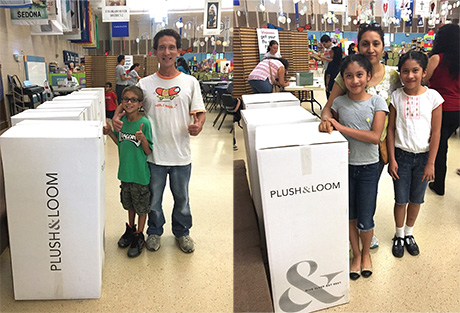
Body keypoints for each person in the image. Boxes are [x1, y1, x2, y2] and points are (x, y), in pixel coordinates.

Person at [113, 29, 206, 254]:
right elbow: (127, 102)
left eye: (171, 47)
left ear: (178, 51)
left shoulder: (190, 82)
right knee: (153, 201)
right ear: (155, 52)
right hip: (153, 155)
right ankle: (154, 232)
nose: (167, 52)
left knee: (182, 199)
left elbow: (200, 113)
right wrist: (116, 116)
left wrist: (199, 125)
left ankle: (182, 233)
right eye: (162, 47)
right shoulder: (145, 84)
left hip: (181, 154)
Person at [319, 23, 402, 249]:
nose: (371, 49)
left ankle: (366, 231)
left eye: (376, 43)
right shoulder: (347, 73)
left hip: (379, 147)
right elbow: (328, 107)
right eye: (365, 43)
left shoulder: (393, 76)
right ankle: (352, 236)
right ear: (358, 45)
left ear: (384, 46)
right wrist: (326, 120)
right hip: (347, 148)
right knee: (348, 192)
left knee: (368, 190)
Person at [327, 54, 388, 280]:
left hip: (370, 168)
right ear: (343, 79)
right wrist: (330, 126)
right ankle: (355, 255)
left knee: (366, 216)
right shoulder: (338, 103)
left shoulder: (377, 102)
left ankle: (365, 254)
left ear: (368, 77)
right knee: (350, 215)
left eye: (359, 75)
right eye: (349, 76)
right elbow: (328, 126)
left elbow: (374, 136)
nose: (355, 81)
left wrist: (340, 127)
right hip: (345, 167)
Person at [387, 51, 443, 258]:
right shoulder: (396, 97)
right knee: (400, 199)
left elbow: (436, 132)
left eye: (415, 71)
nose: (410, 76)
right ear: (400, 73)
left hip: (423, 159)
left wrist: (431, 163)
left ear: (424, 72)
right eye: (405, 71)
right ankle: (399, 234)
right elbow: (391, 130)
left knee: (416, 199)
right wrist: (392, 159)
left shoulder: (433, 97)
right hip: (401, 157)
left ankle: (409, 234)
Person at [103, 86, 153, 258]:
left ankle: (140, 235)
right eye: (126, 99)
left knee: (141, 207)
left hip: (140, 175)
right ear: (121, 102)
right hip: (125, 173)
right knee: (129, 204)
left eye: (133, 100)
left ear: (140, 103)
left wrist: (143, 139)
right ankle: (130, 229)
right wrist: (110, 132)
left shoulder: (144, 123)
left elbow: (148, 151)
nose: (129, 102)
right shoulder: (120, 123)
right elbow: (120, 143)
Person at [424, 24, 460, 196]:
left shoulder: (436, 59)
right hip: (458, 110)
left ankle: (438, 184)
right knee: (444, 144)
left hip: (440, 108)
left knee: (439, 147)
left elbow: (423, 80)